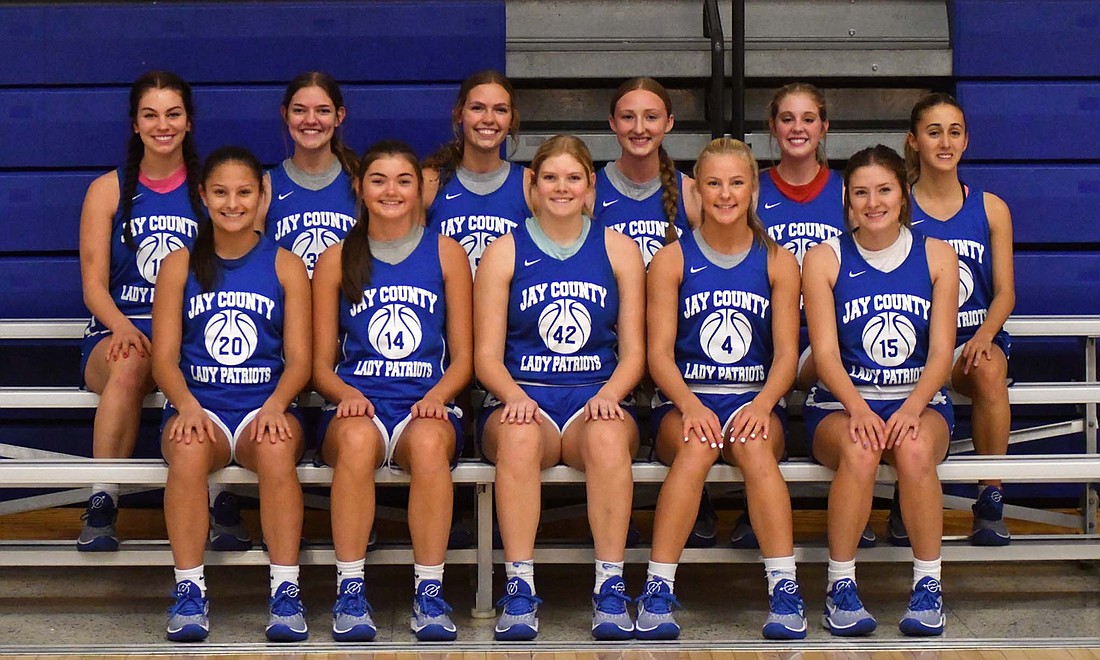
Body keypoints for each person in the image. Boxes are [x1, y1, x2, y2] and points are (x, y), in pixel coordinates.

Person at [474, 135, 646, 641]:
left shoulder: (619, 249)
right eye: (550, 177)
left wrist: (610, 395)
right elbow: (485, 355)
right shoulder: (504, 251)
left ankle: (610, 586)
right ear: (532, 185)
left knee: (609, 438)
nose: (562, 187)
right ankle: (520, 587)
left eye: (573, 178)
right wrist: (514, 397)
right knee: (520, 439)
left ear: (591, 187)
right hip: (522, 394)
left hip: (595, 394)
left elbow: (634, 352)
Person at [640, 138, 804, 640]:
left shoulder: (778, 261)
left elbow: (784, 357)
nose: (725, 194)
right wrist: (690, 406)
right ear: (698, 191)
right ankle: (657, 590)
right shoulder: (671, 259)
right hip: (684, 403)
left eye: (736, 182)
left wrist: (762, 404)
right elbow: (658, 356)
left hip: (753, 399)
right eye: (713, 183)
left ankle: (784, 589)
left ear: (753, 189)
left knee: (755, 449)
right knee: (696, 448)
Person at [77, 70, 248, 553]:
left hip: (193, 333)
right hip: (118, 329)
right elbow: (93, 286)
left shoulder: (212, 191)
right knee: (129, 362)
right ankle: (103, 499)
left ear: (189, 122)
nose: (162, 125)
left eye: (173, 114)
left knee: (218, 362)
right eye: (150, 115)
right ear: (135, 124)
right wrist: (124, 327)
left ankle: (222, 499)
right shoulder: (107, 191)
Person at [312, 140, 473, 642]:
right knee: (357, 443)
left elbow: (465, 357)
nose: (391, 190)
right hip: (357, 400)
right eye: (378, 180)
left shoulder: (446, 251)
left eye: (403, 180)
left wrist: (438, 396)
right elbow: (318, 363)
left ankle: (428, 591)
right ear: (359, 188)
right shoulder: (336, 257)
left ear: (421, 188)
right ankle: (350, 589)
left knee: (428, 445)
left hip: (425, 398)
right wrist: (343, 393)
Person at [151, 146, 312, 643]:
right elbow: (163, 357)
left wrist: (277, 404)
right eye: (220, 192)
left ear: (262, 196)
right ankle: (189, 590)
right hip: (200, 403)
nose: (233, 203)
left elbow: (301, 359)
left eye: (244, 192)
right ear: (202, 196)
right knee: (186, 450)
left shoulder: (286, 265)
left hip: (264, 404)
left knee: (278, 449)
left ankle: (286, 591)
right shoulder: (179, 265)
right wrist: (186, 404)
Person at [802, 145, 958, 637]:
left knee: (913, 451)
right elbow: (824, 355)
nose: (873, 202)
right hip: (841, 403)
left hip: (921, 398)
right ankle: (840, 586)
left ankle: (928, 585)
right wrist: (858, 408)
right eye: (861, 192)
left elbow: (941, 355)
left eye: (884, 189)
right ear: (847, 200)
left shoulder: (938, 255)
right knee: (863, 448)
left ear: (903, 194)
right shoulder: (824, 258)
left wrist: (912, 408)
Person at [729, 82, 874, 551]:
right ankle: (755, 505)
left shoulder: (847, 193)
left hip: (832, 337)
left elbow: (868, 268)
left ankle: (858, 506)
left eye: (808, 118)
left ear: (824, 127)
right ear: (772, 127)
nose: (797, 128)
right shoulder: (749, 193)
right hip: (760, 334)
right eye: (787, 119)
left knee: (814, 363)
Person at [896, 92, 1015, 547]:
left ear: (965, 141)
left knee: (989, 369)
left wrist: (984, 334)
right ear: (913, 142)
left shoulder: (990, 209)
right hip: (916, 344)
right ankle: (902, 503)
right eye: (933, 132)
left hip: (970, 342)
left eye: (954, 131)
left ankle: (990, 496)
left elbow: (1005, 291)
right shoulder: (897, 207)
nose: (945, 142)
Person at [424, 70, 531, 275]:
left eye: (500, 110)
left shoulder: (529, 184)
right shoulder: (430, 182)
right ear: (458, 114)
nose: (489, 119)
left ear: (512, 119)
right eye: (477, 108)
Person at [259, 71, 358, 278]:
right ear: (285, 114)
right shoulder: (267, 187)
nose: (310, 120)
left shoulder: (361, 183)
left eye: (322, 111)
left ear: (339, 116)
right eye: (299, 110)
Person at [594, 77, 699, 268]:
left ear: (669, 122)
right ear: (612, 122)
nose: (639, 128)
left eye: (651, 117)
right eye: (627, 117)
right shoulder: (591, 192)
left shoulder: (690, 193)